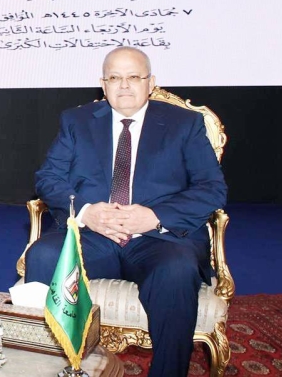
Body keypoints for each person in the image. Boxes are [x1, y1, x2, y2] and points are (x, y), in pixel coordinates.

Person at [25, 47, 227, 377]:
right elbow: (48, 178)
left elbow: (212, 188)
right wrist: (87, 212)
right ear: (103, 85)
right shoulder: (76, 122)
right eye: (114, 78)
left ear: (151, 82)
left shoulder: (184, 124)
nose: (124, 85)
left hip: (159, 239)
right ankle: (48, 367)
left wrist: (155, 216)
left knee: (176, 270)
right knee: (43, 255)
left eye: (133, 77)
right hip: (93, 236)